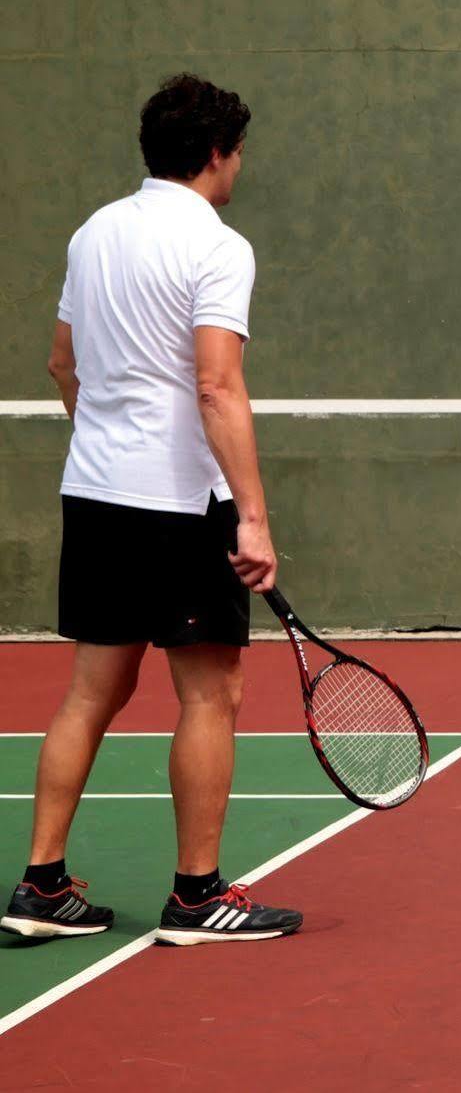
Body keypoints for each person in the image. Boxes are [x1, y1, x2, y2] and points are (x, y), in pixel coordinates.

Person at [2, 74, 304, 945]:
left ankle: (42, 886)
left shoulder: (93, 232)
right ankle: (197, 896)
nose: (239, 167)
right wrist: (252, 516)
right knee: (212, 694)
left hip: (96, 493)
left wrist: (105, 439)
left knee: (90, 692)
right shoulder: (219, 246)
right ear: (216, 153)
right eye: (238, 152)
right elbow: (217, 385)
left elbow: (63, 365)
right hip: (178, 503)